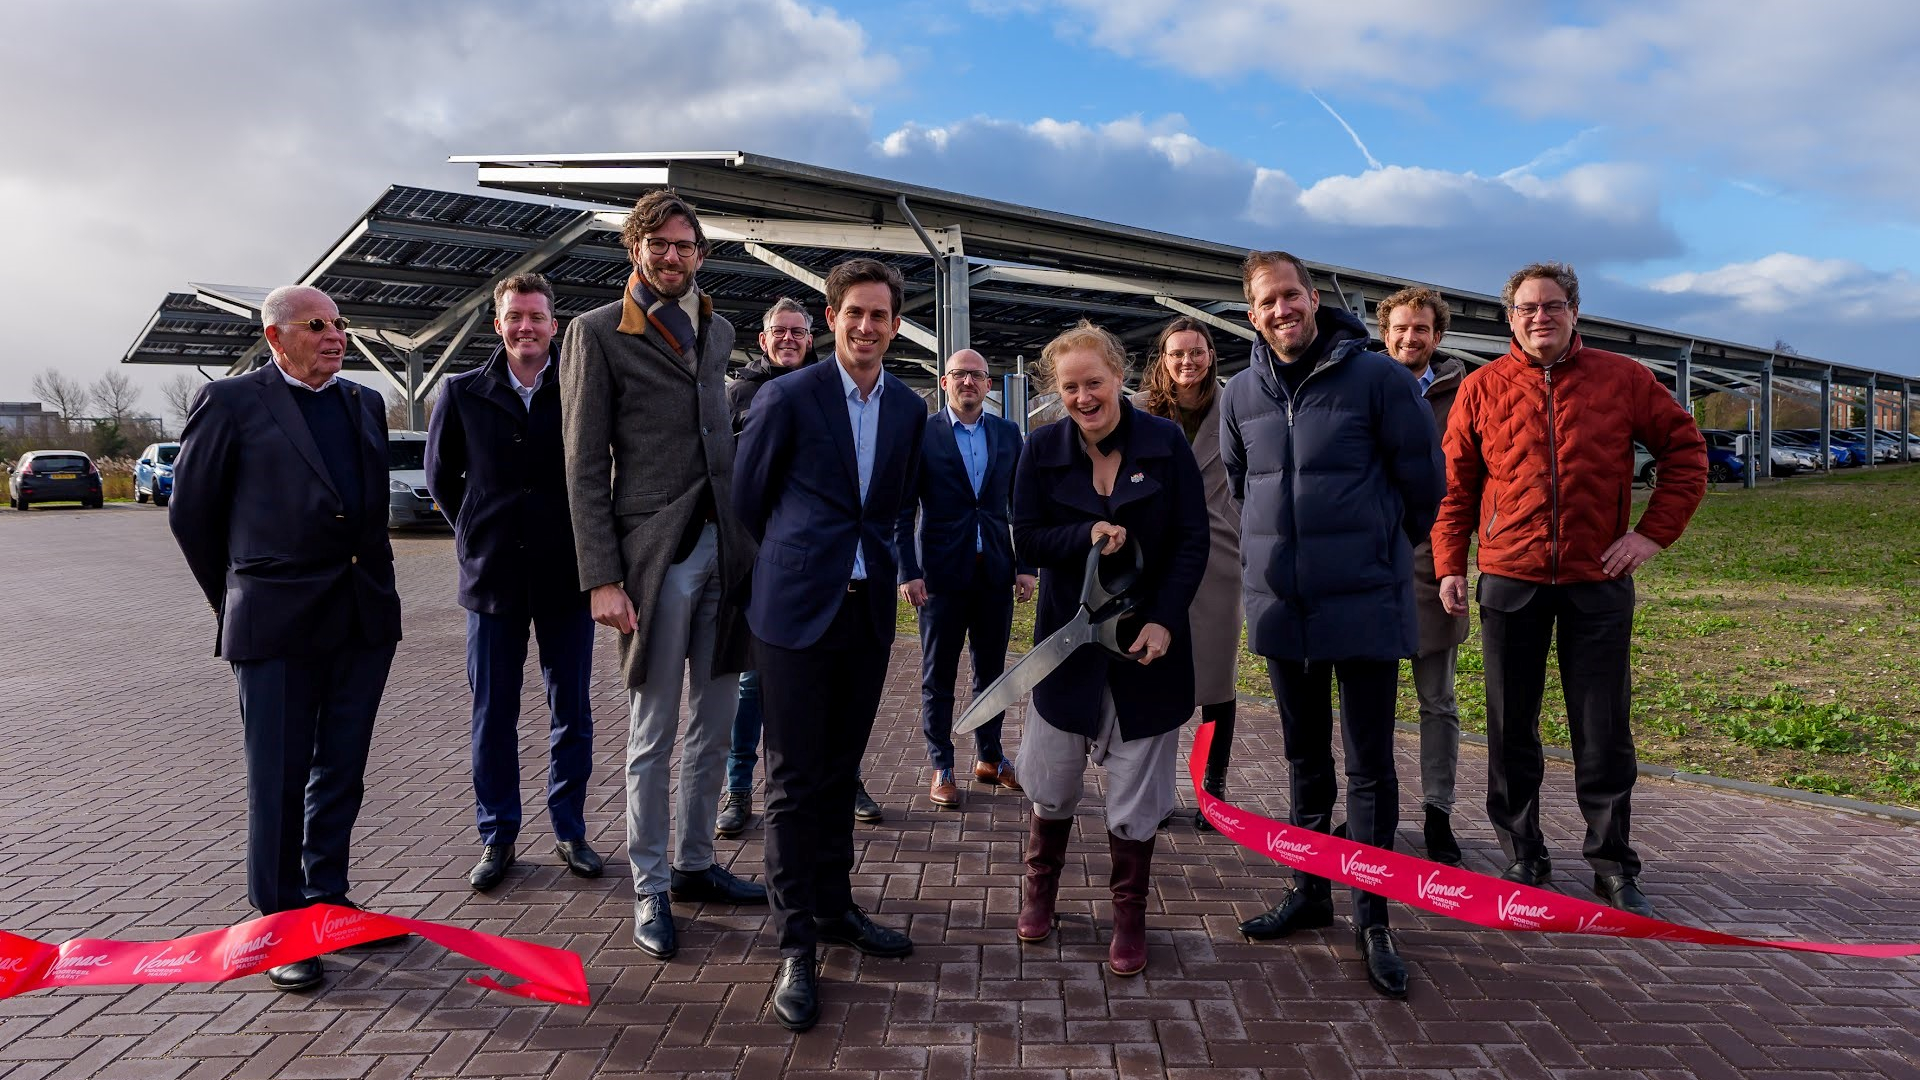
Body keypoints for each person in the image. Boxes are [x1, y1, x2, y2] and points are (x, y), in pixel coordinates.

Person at [1433, 262, 1706, 917]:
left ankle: (1612, 863)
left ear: (1574, 311)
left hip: (1598, 582)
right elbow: (1456, 488)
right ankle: (1523, 851)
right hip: (1509, 579)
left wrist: (1650, 536)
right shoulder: (1482, 388)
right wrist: (1450, 564)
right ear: (1510, 317)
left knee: (1603, 728)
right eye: (1527, 308)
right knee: (1510, 726)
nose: (1540, 318)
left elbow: (1686, 454)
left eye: (1552, 306)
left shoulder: (1624, 380)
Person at [1222, 251, 1444, 1000]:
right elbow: (1242, 487)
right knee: (1304, 760)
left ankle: (1373, 913)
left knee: (1369, 766)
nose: (1280, 311)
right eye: (1265, 303)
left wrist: (1377, 547)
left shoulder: (1378, 378)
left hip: (1365, 603)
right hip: (1284, 610)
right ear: (1251, 314)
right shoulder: (1239, 394)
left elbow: (1425, 485)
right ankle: (1310, 889)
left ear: (1313, 298)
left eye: (1290, 296)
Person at [169, 284, 402, 993]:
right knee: (277, 777)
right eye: (317, 325)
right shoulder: (235, 403)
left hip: (360, 619)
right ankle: (277, 926)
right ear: (275, 337)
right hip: (273, 622)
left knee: (341, 770)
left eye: (339, 323)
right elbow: (192, 515)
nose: (335, 336)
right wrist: (239, 595)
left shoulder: (363, 404)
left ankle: (327, 900)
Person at [561, 190, 766, 964]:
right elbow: (581, 467)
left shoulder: (719, 331)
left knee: (713, 722)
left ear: (700, 255)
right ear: (634, 251)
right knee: (652, 734)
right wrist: (600, 579)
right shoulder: (595, 334)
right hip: (653, 561)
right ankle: (648, 882)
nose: (672, 256)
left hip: (726, 551)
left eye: (685, 245)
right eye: (659, 245)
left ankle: (693, 863)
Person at [733, 257, 927, 1032]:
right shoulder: (787, 397)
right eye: (856, 313)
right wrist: (797, 560)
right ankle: (794, 941)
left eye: (881, 315)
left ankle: (838, 907)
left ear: (893, 323)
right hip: (793, 612)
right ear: (831, 316)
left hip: (866, 610)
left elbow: (898, 500)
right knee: (792, 781)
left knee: (842, 770)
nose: (868, 327)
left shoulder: (911, 409)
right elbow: (748, 501)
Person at [1010, 319, 1209, 979]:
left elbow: (1190, 540)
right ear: (1055, 391)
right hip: (1067, 649)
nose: (1083, 396)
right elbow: (1028, 539)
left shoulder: (1165, 441)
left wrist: (1163, 621)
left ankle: (1129, 915)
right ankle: (1041, 887)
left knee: (1135, 799)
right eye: (1069, 387)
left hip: (1146, 651)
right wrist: (1085, 535)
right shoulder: (1040, 450)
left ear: (1119, 377)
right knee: (1052, 785)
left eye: (1093, 382)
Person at [426, 272, 601, 892]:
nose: (525, 327)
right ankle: (497, 834)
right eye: (514, 317)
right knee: (492, 714)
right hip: (494, 580)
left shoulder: (579, 389)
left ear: (555, 325)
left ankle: (570, 828)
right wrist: (475, 530)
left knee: (570, 712)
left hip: (565, 577)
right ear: (497, 325)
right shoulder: (462, 392)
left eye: (536, 316)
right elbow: (443, 479)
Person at [717, 298, 883, 835]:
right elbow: (745, 491)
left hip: (828, 573)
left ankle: (846, 777)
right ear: (762, 340)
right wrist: (775, 550)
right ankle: (738, 788)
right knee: (750, 686)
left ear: (810, 338)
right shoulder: (741, 395)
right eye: (778, 332)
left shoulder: (829, 392)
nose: (788, 339)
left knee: (835, 687)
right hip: (764, 566)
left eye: (797, 331)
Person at [899, 348, 1036, 809]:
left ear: (989, 385)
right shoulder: (924, 434)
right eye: (960, 375)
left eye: (978, 376)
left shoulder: (1007, 433)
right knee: (938, 674)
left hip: (994, 571)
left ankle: (990, 757)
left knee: (991, 672)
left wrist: (1026, 565)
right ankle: (941, 764)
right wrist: (908, 571)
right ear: (945, 382)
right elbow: (904, 510)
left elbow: (1023, 503)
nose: (969, 383)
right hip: (939, 574)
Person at [1129, 317, 1243, 830]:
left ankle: (1213, 791)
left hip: (1219, 555)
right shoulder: (1140, 411)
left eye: (1196, 352)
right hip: (1156, 557)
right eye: (1177, 354)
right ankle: (1151, 789)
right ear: (1164, 358)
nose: (1186, 362)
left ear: (1211, 354)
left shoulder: (1237, 404)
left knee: (1217, 680)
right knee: (1153, 672)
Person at [1375, 286, 1470, 866]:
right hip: (1374, 563)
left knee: (1437, 700)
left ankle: (1439, 812)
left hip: (1436, 561)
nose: (1411, 338)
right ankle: (1375, 806)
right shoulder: (1361, 384)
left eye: (1422, 329)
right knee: (1372, 700)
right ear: (1385, 333)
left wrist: (1453, 560)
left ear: (1438, 335)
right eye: (1401, 329)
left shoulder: (1464, 393)